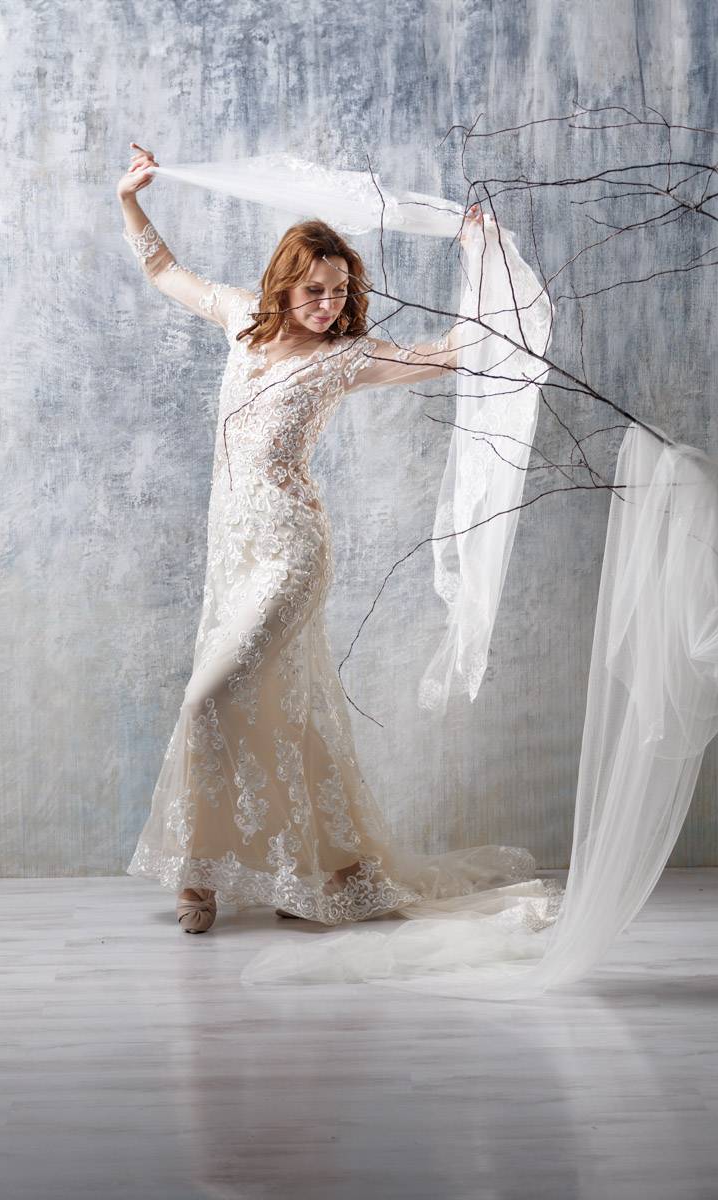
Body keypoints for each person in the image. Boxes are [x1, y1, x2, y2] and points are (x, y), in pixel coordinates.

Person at [117, 141, 549, 935]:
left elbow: (450, 354)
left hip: (292, 552)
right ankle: (284, 870)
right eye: (314, 290)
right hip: (234, 552)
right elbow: (164, 271)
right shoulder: (240, 323)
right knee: (280, 709)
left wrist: (485, 258)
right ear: (284, 285)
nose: (327, 303)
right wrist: (130, 198)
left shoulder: (345, 359)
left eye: (341, 291)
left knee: (208, 697)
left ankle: (212, 874)